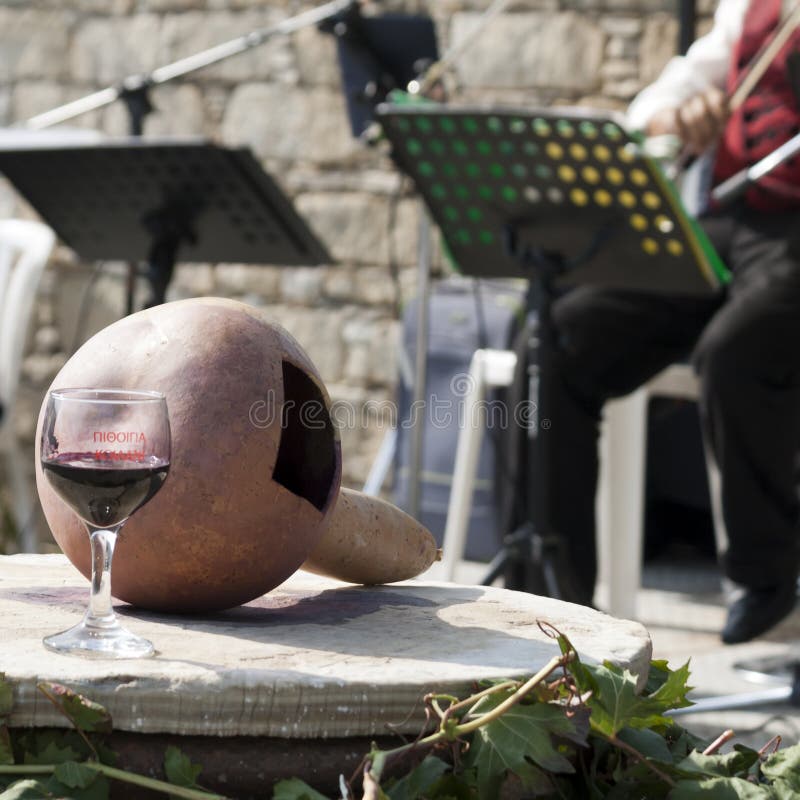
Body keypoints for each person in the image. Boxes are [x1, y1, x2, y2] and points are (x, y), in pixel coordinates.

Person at [542, 0, 800, 643]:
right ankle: (556, 594)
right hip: (732, 218)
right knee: (562, 335)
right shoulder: (757, 10)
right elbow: (668, 93)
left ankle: (767, 576)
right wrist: (673, 118)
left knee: (737, 349)